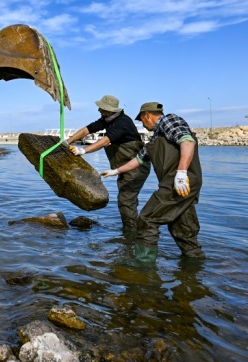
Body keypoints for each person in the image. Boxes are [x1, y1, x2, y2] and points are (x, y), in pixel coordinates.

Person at [101, 102, 205, 263]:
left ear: (147, 115)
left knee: (147, 219)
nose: (142, 124)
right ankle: (195, 266)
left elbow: (187, 141)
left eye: (142, 121)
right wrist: (116, 171)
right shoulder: (156, 138)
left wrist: (182, 172)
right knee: (183, 228)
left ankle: (143, 266)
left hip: (178, 182)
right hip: (184, 185)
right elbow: (138, 159)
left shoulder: (168, 121)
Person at [65, 94, 150, 230]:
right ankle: (132, 229)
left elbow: (106, 140)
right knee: (126, 200)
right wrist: (67, 142)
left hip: (136, 168)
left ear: (110, 110)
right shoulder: (107, 119)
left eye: (101, 108)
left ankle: (132, 233)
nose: (99, 111)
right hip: (124, 167)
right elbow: (87, 129)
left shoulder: (123, 122)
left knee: (126, 200)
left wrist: (83, 151)